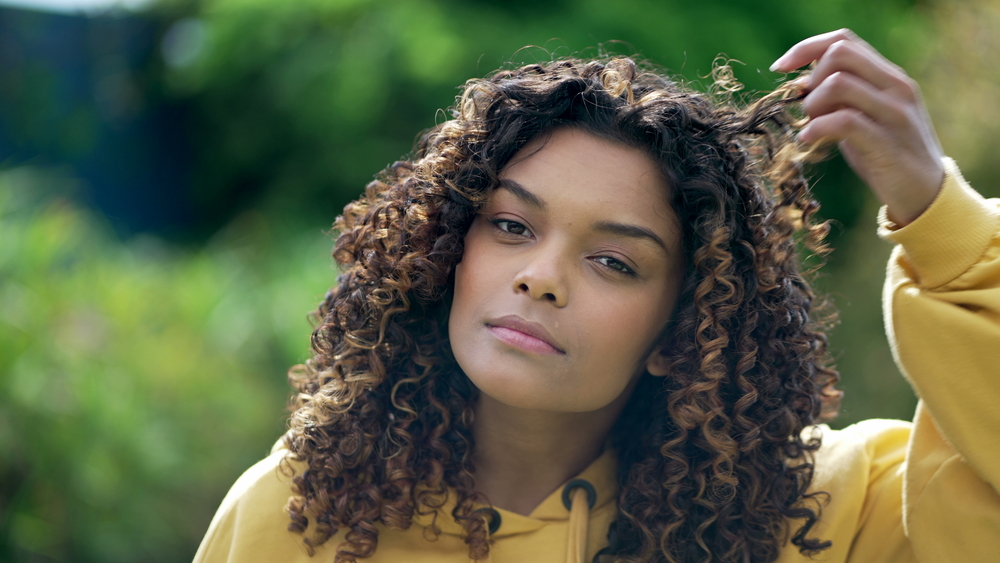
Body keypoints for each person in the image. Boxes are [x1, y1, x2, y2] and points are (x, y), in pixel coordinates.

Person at [192, 29, 1000, 563]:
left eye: (615, 261)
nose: (542, 275)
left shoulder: (818, 514)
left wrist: (940, 218)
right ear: (445, 252)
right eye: (511, 225)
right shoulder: (300, 516)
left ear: (683, 329)